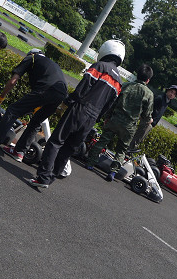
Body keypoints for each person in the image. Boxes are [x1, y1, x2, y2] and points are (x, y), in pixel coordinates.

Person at [28, 39, 125, 188]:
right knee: (69, 149)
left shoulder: (99, 66)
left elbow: (84, 86)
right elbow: (109, 105)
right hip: (93, 117)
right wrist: (96, 118)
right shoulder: (119, 82)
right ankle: (50, 178)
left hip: (80, 108)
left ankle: (43, 177)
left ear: (106, 50)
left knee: (56, 141)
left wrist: (68, 101)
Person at [0, 48, 67, 158]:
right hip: (61, 95)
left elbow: (13, 81)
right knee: (36, 122)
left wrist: (1, 96)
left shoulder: (32, 58)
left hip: (46, 90)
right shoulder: (49, 64)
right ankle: (19, 152)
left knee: (13, 111)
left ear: (31, 54)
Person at [85, 63, 154, 182]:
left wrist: (107, 117)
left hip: (115, 120)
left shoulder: (125, 86)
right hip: (129, 126)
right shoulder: (149, 94)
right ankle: (112, 172)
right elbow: (147, 116)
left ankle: (90, 163)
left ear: (137, 75)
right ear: (148, 80)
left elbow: (113, 103)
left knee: (102, 141)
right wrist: (149, 120)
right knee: (121, 150)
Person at [128, 84, 177, 150]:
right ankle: (128, 150)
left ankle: (130, 150)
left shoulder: (167, 101)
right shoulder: (160, 98)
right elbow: (149, 107)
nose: (172, 94)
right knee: (137, 137)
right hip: (148, 121)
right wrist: (149, 118)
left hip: (152, 124)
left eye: (174, 94)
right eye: (171, 92)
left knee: (140, 139)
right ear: (167, 90)